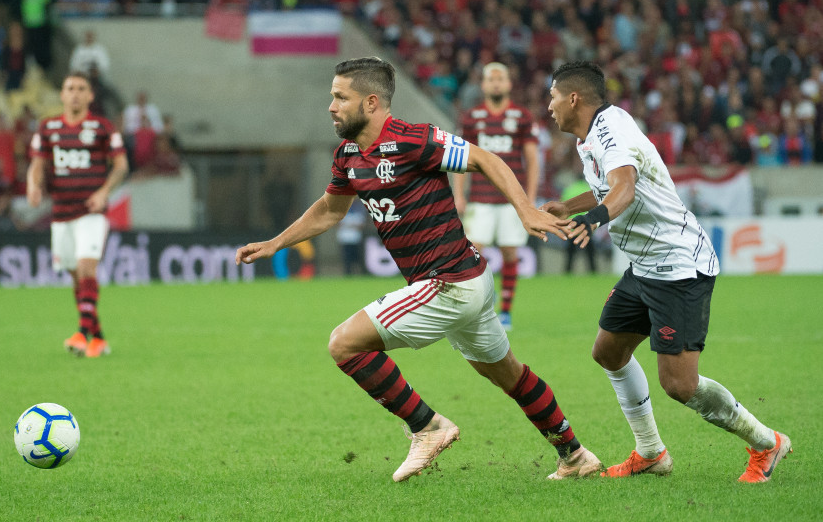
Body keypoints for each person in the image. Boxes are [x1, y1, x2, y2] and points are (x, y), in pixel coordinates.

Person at [236, 57, 601, 482]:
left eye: (340, 97)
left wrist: (525, 211)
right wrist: (276, 242)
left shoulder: (414, 139)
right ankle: (576, 456)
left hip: (450, 284)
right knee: (509, 375)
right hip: (468, 280)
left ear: (371, 102)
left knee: (344, 344)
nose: (331, 106)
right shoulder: (348, 154)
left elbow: (486, 158)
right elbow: (330, 210)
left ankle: (427, 427)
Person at [541, 61, 790, 483]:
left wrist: (595, 219)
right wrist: (571, 207)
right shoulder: (591, 137)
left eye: (551, 97)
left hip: (678, 266)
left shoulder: (609, 132)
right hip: (645, 266)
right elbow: (609, 186)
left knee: (679, 385)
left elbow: (624, 186)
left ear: (573, 98)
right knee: (608, 351)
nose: (548, 107)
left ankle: (767, 443)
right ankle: (652, 452)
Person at [26, 73, 128, 358]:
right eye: (70, 88)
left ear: (90, 96)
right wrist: (32, 185)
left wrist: (104, 191)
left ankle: (81, 334)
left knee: (87, 268)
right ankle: (99, 337)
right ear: (61, 94)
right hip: (60, 215)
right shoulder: (48, 127)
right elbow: (37, 164)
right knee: (77, 279)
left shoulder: (101, 127)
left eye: (81, 89)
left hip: (91, 213)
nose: (75, 94)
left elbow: (120, 165)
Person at [453, 62, 540, 331]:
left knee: (510, 253)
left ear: (509, 84)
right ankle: (481, 309)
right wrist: (459, 194)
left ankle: (505, 312)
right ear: (483, 85)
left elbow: (532, 161)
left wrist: (529, 199)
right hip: (479, 197)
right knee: (475, 252)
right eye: (491, 78)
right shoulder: (471, 117)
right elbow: (461, 159)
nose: (496, 83)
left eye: (500, 78)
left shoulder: (522, 116)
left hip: (511, 199)